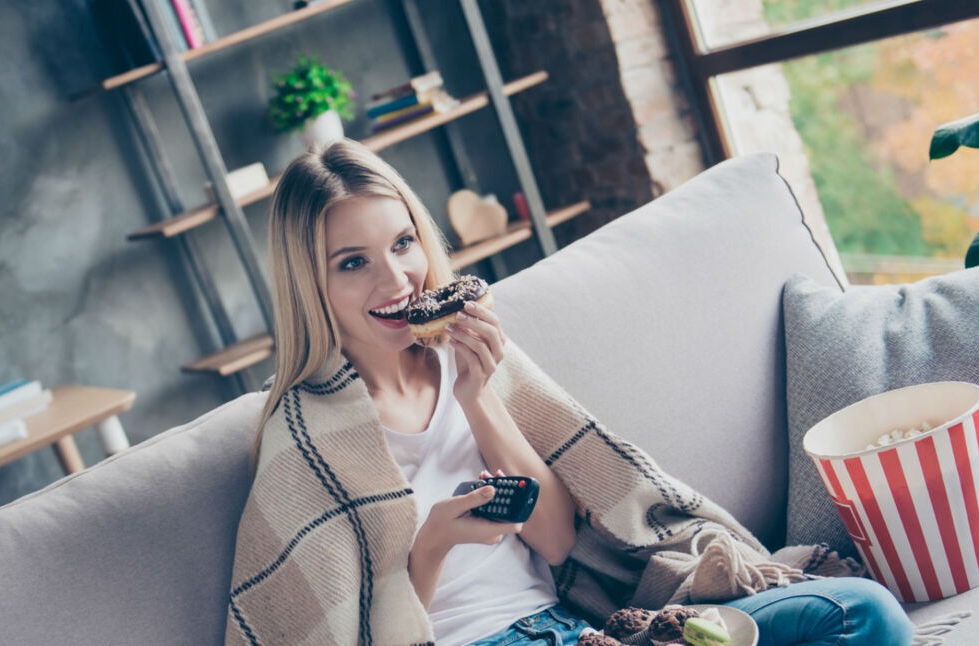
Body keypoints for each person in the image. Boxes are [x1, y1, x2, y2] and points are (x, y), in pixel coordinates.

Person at [228, 139, 912, 646]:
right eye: (354, 263)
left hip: (572, 628)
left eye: (403, 243)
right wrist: (431, 545)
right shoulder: (306, 440)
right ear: (310, 287)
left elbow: (559, 543)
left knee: (861, 615)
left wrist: (477, 396)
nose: (397, 279)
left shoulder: (470, 354)